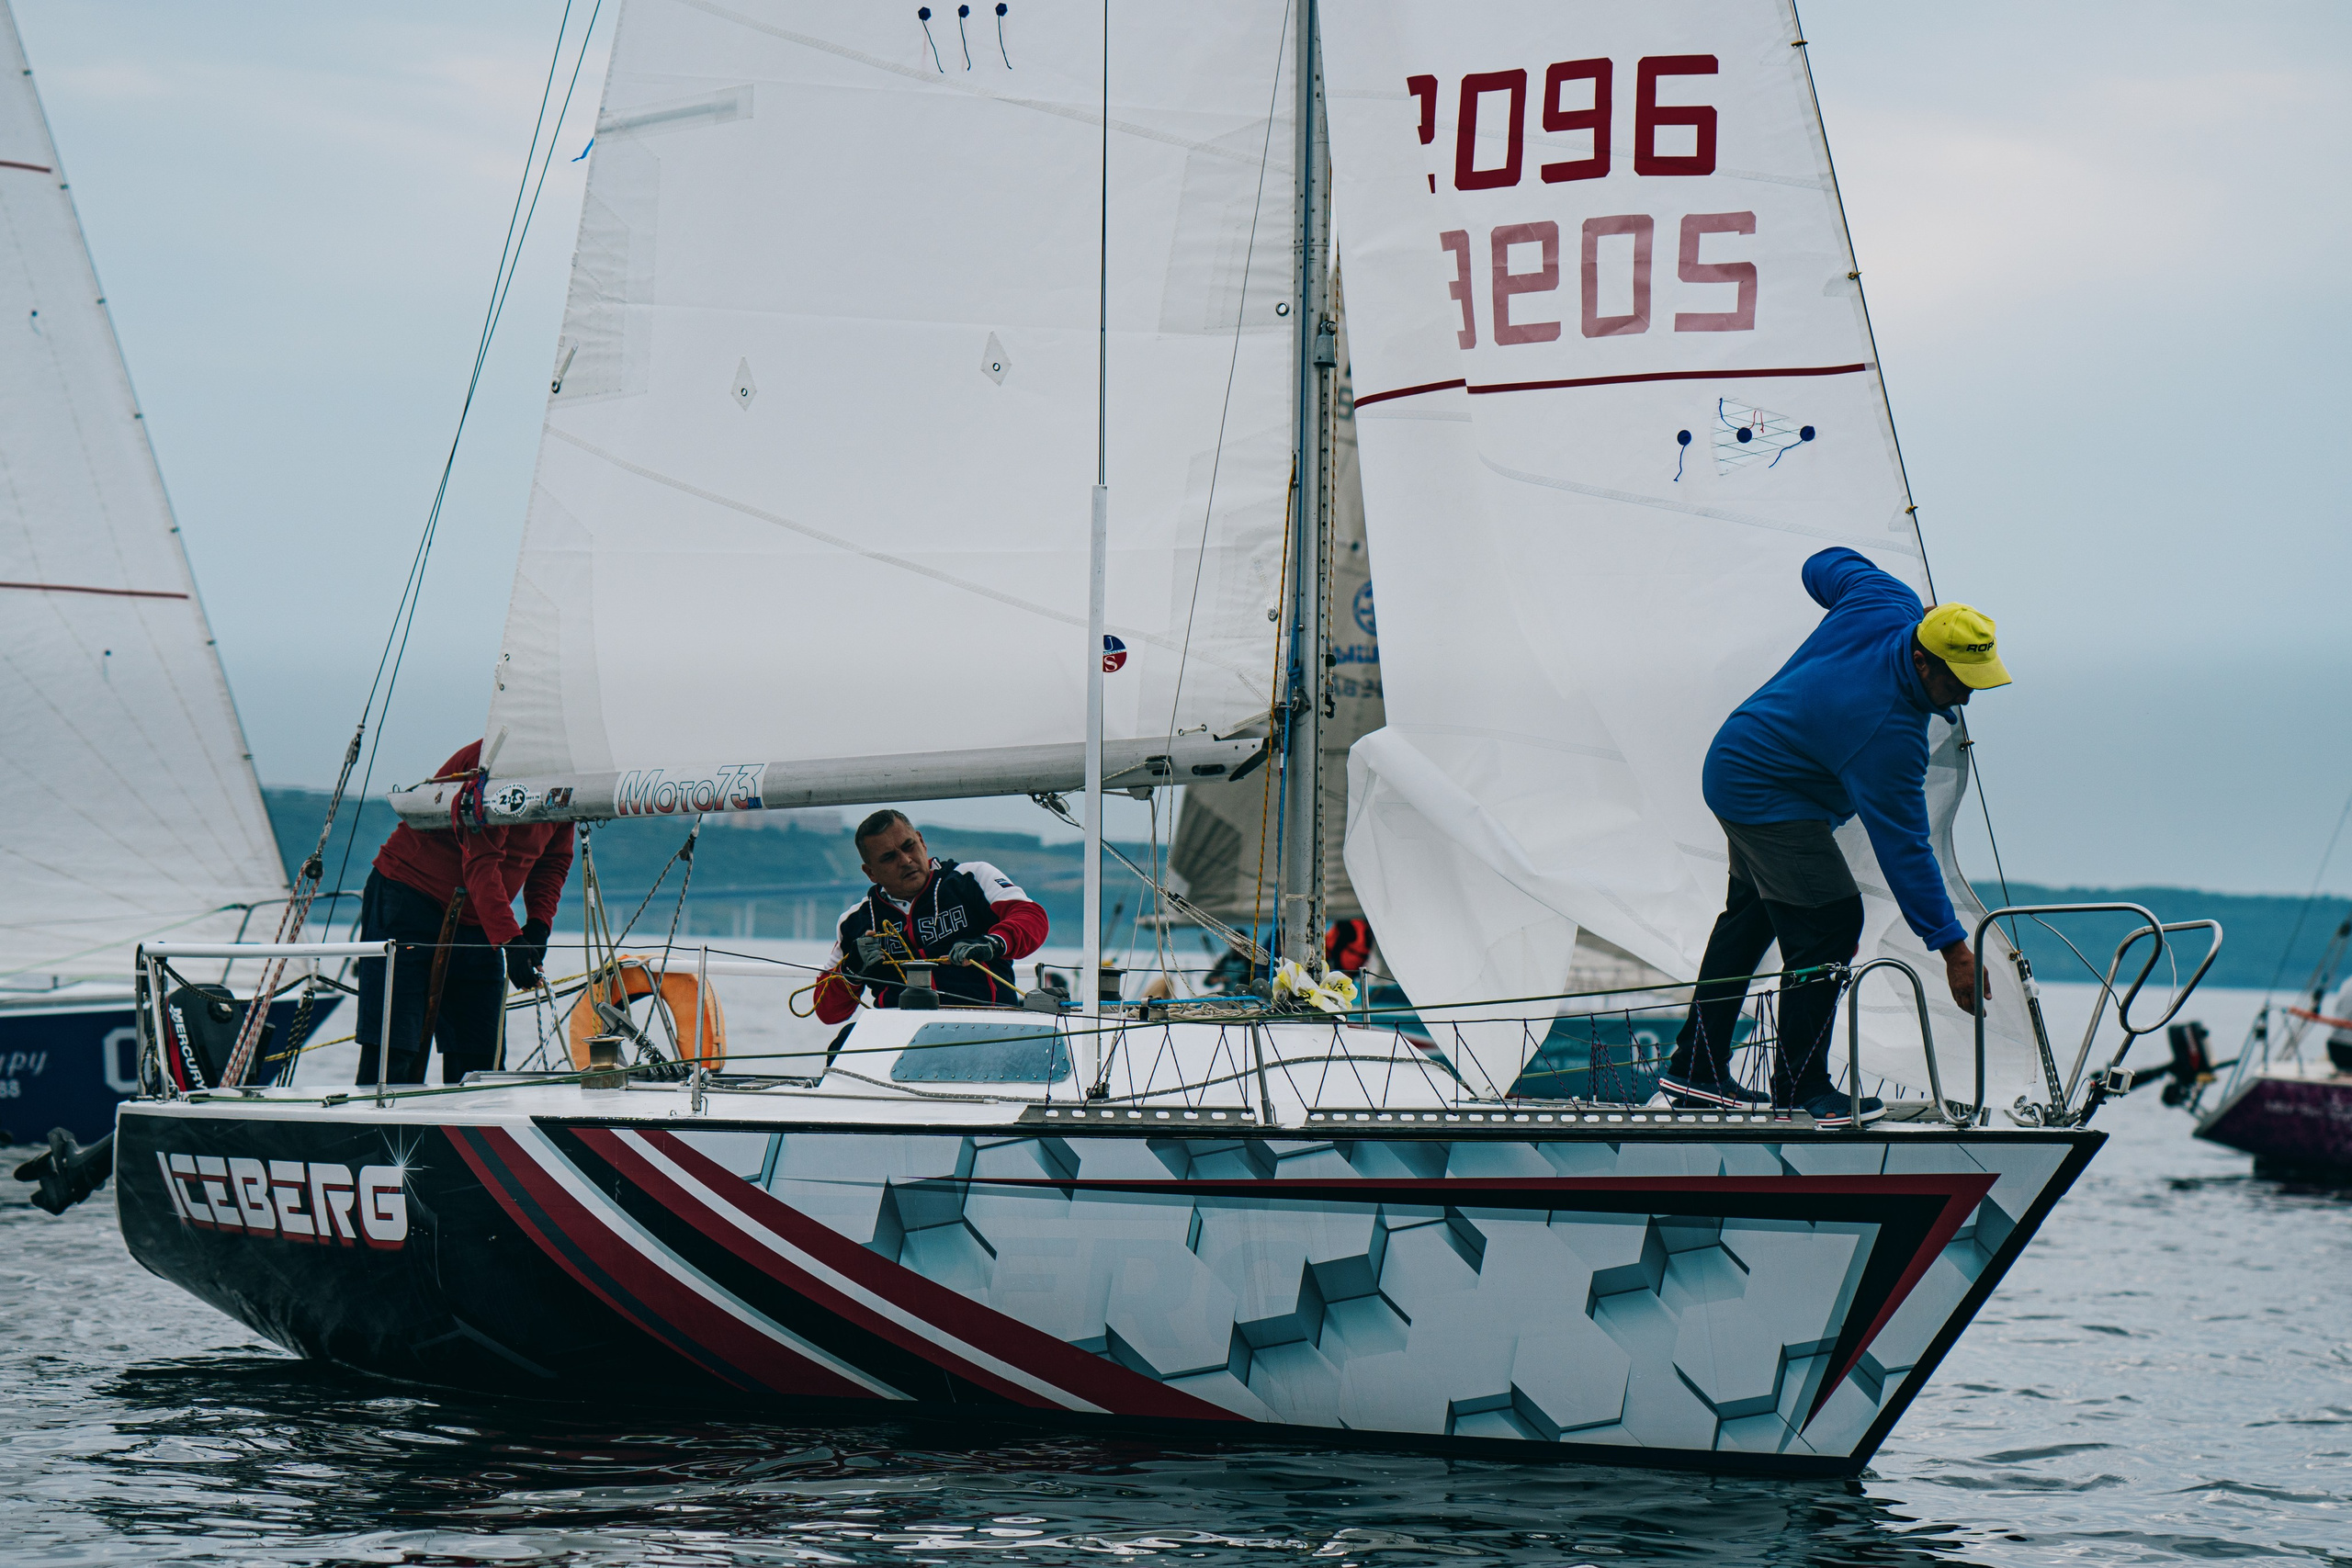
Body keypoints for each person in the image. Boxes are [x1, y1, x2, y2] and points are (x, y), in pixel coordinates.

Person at [1660, 547, 2010, 1126]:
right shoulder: (1887, 733)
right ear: (1923, 662)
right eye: (1961, 681)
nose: (1969, 697)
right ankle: (1801, 1088)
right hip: (1764, 793)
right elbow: (1905, 851)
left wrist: (1892, 605)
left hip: (1736, 758)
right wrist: (1952, 949)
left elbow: (1823, 564)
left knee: (1750, 918)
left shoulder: (1885, 601)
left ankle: (1695, 1070)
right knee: (1831, 922)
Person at [354, 739, 572, 1085]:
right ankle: (375, 1126)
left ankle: (466, 1131)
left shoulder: (572, 770)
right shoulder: (496, 762)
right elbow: (481, 863)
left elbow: (554, 860)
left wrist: (538, 925)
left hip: (478, 918)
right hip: (410, 898)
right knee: (395, 1048)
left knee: (482, 1059)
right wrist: (510, 941)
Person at [811, 810, 1050, 1021]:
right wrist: (852, 968)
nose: (905, 860)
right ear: (870, 872)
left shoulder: (971, 878)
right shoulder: (855, 921)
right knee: (841, 1045)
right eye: (889, 857)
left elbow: (1032, 917)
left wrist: (992, 944)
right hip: (897, 1036)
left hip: (985, 1023)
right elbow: (826, 1012)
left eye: (908, 846)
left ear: (922, 842)